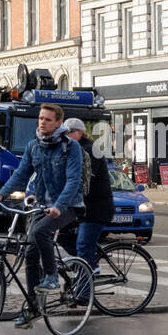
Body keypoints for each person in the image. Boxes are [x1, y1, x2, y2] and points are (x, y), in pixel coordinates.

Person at [0, 103, 85, 329]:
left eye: (47, 119)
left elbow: (73, 181)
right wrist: (1, 195)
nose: (42, 122)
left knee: (41, 232)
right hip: (42, 205)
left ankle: (52, 276)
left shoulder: (70, 148)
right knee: (30, 254)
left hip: (68, 205)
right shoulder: (34, 146)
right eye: (40, 118)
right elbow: (21, 175)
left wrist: (60, 206)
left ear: (59, 123)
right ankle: (34, 309)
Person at [59, 118, 114, 295]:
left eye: (69, 133)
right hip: (80, 208)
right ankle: (86, 262)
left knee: (83, 245)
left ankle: (83, 292)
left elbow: (83, 181)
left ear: (79, 132)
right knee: (59, 232)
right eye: (64, 133)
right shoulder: (69, 149)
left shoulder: (92, 151)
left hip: (96, 208)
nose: (66, 136)